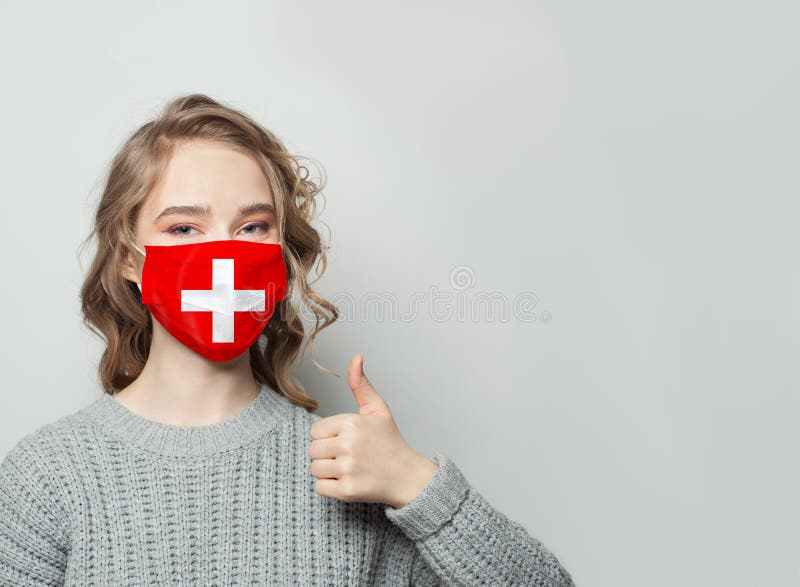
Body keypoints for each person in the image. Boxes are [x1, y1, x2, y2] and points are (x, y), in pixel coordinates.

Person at [0, 94, 575, 585]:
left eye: (253, 227)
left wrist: (415, 485)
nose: (224, 252)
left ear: (279, 256)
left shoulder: (348, 468)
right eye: (183, 227)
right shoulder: (49, 474)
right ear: (130, 258)